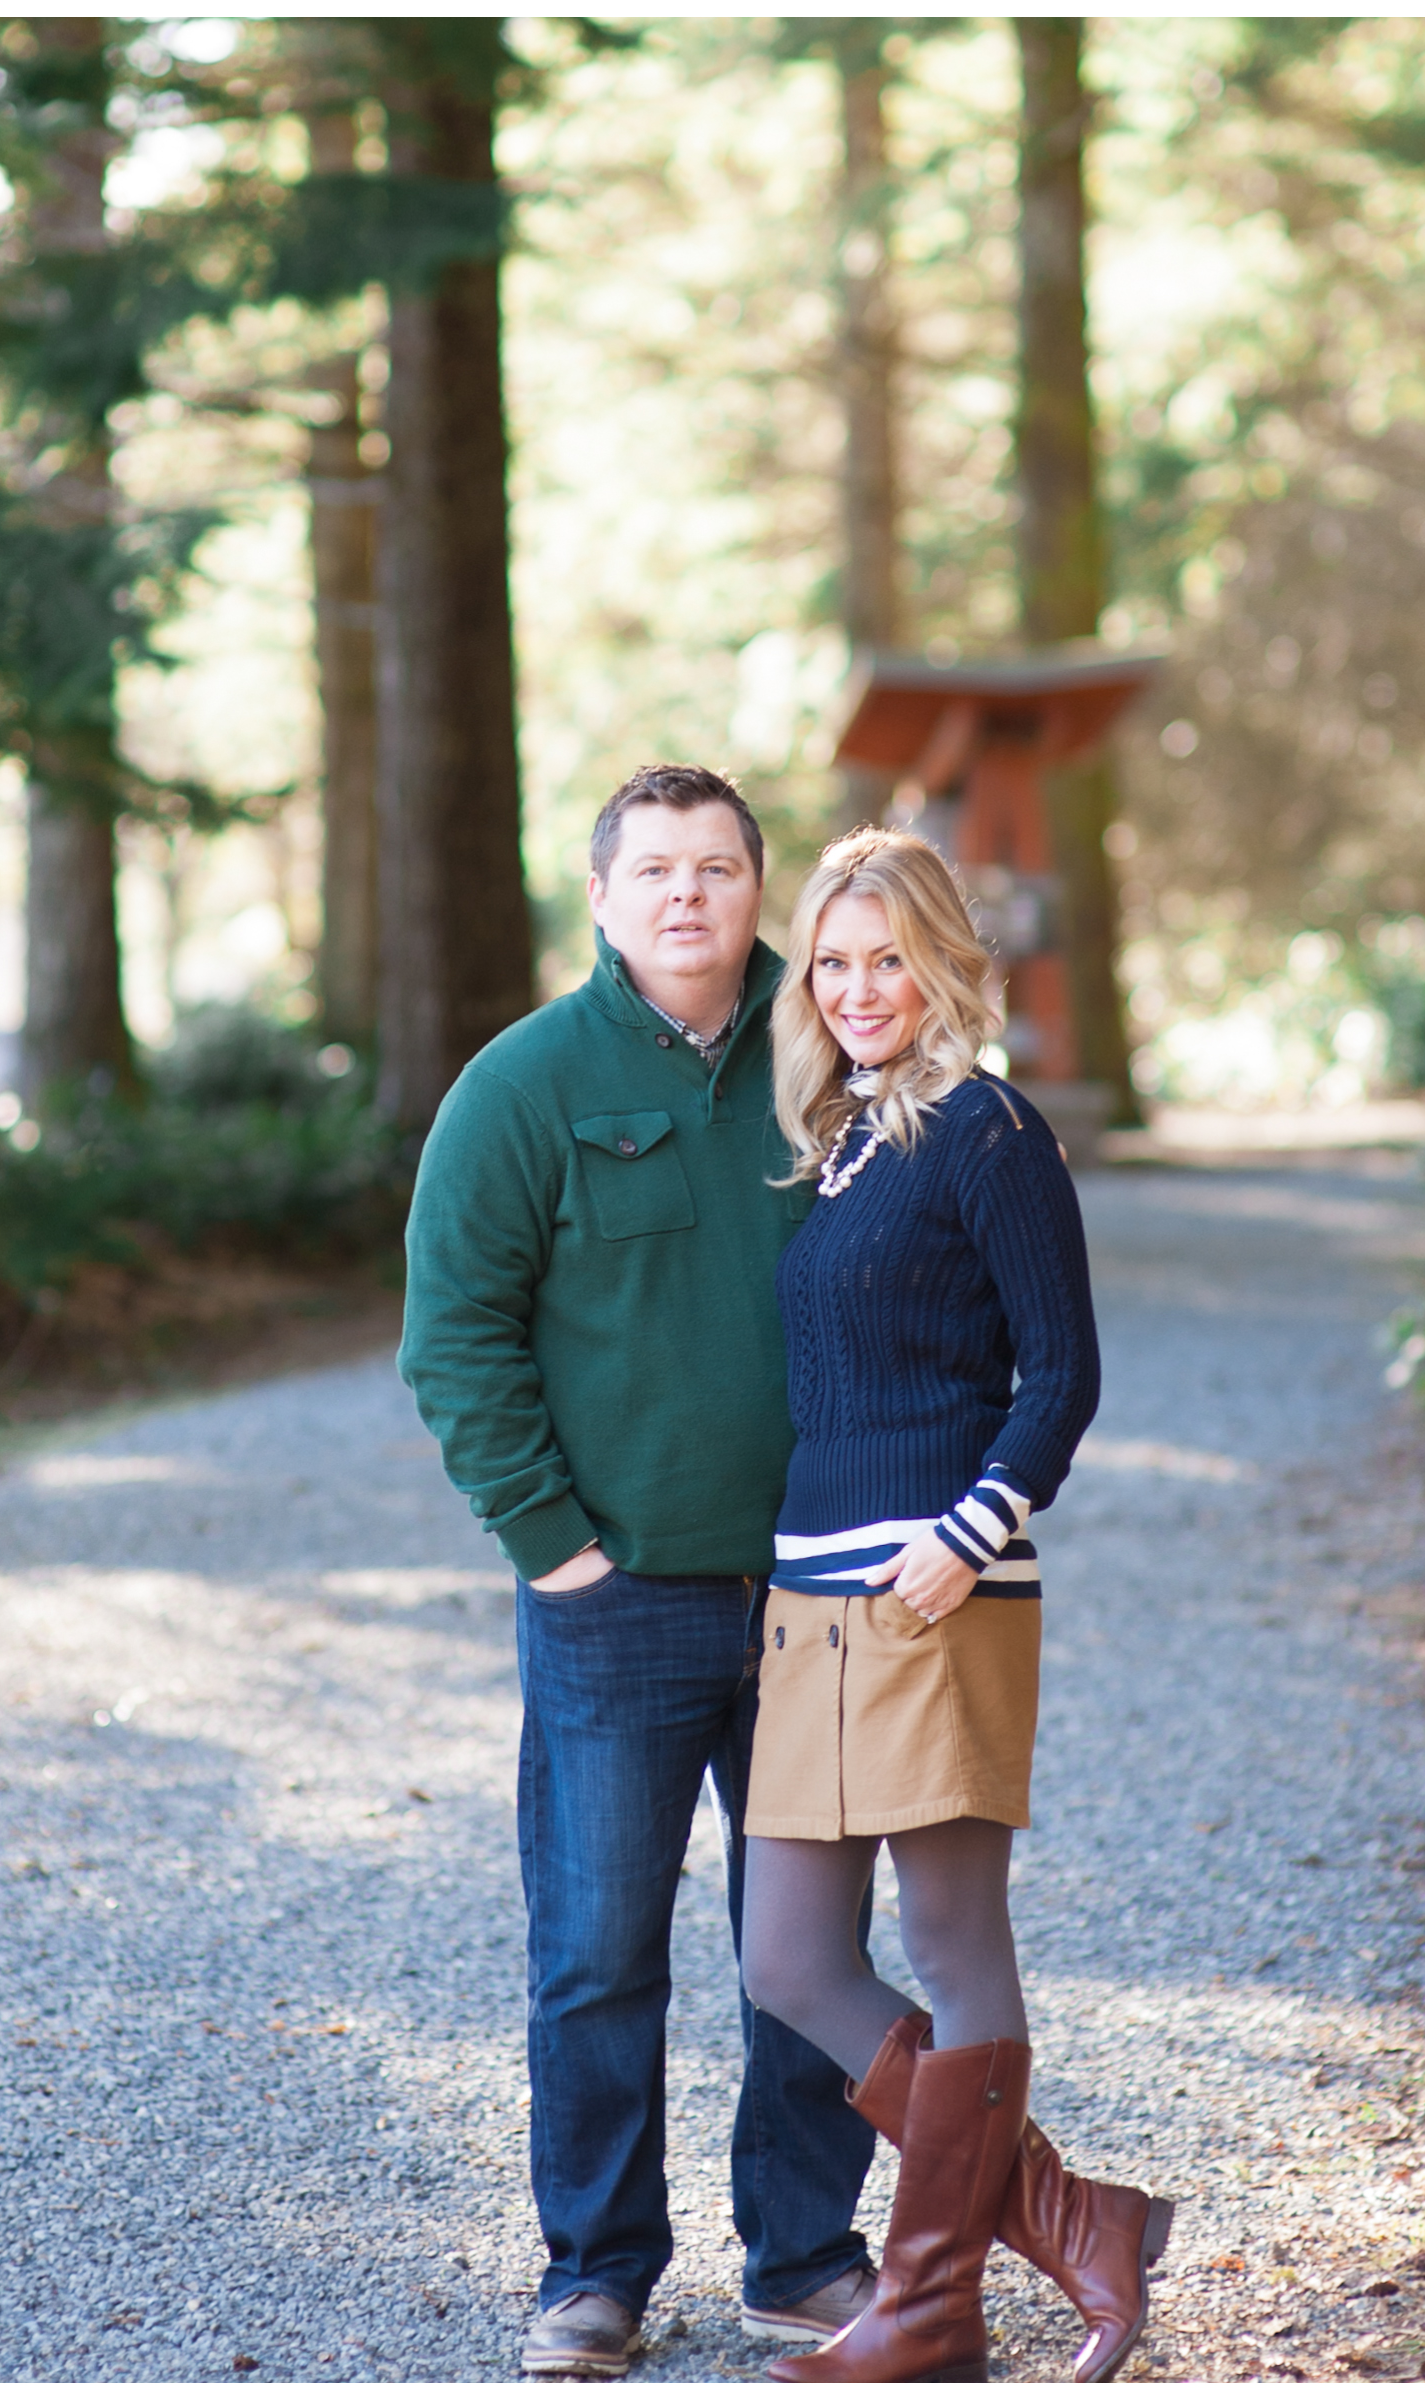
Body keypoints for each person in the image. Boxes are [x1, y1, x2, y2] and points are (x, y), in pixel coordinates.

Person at [401, 764, 882, 2381]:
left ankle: (805, 2258)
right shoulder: (523, 1087)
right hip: (615, 1607)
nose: (688, 895)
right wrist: (560, 1548)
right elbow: (453, 1338)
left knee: (802, 1953)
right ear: (601, 899)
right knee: (598, 1953)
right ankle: (594, 2270)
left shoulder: (833, 1062)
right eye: (655, 870)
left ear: (764, 892)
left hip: (823, 1597)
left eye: (720, 868)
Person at [738, 827, 1167, 2385]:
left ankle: (925, 2309)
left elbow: (1063, 1371)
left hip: (938, 1595)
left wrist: (974, 1527)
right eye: (833, 963)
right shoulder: (840, 1135)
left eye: (887, 960)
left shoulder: (988, 1131)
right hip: (812, 1601)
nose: (858, 989)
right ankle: (1069, 2224)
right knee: (787, 1957)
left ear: (942, 966)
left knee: (950, 1930)